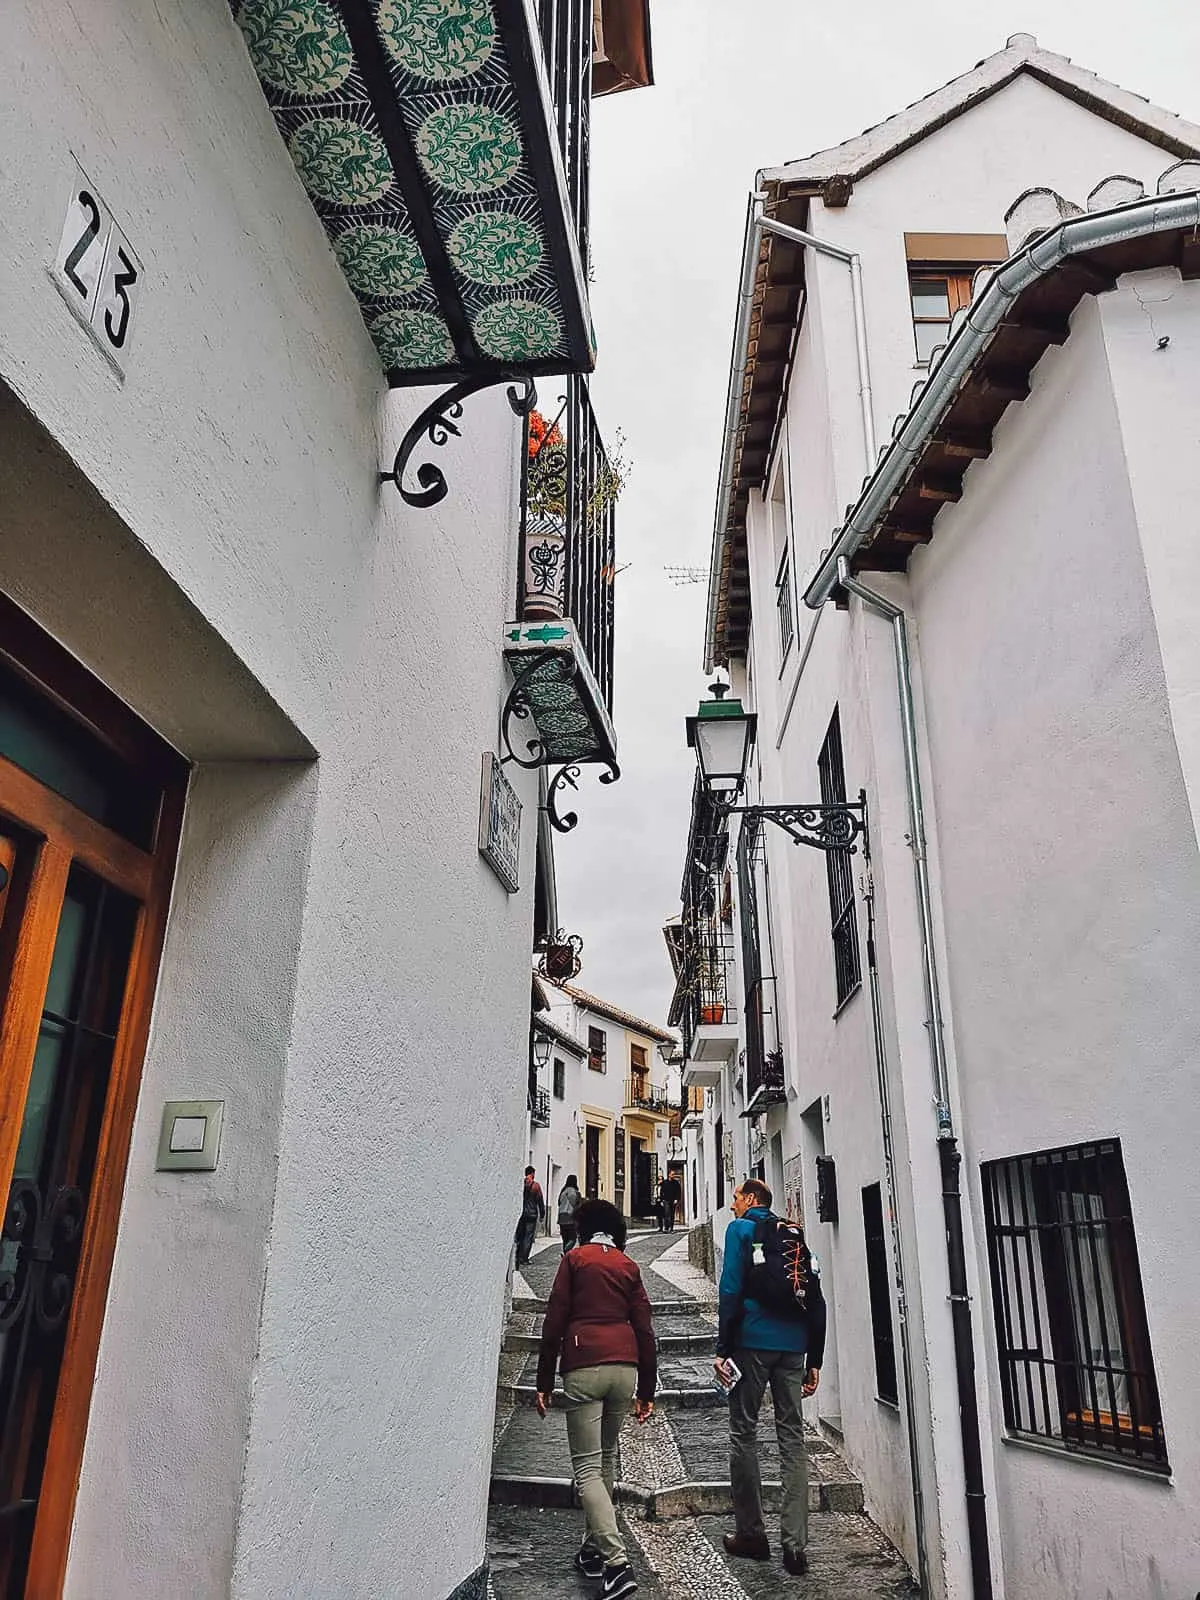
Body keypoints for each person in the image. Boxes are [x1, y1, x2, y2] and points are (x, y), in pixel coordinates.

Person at [535, 1199, 656, 1600]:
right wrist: (647, 1390)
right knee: (605, 1458)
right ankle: (592, 1549)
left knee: (586, 1470)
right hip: (625, 1369)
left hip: (584, 1365)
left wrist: (543, 1381)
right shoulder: (627, 1266)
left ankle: (617, 1565)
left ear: (585, 1227)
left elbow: (555, 1319)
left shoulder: (575, 1260)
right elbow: (645, 1328)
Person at [715, 1178, 826, 1578]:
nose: (732, 1205)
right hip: (794, 1346)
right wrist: (815, 1356)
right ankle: (795, 1546)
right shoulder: (791, 1232)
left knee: (743, 1432)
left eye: (736, 1198)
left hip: (753, 1342)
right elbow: (815, 1292)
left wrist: (723, 1347)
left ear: (750, 1199)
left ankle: (752, 1534)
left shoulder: (741, 1230)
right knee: (792, 1439)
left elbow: (730, 1288)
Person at [514, 1166, 545, 1269]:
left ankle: (518, 1256)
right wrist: (542, 1214)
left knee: (521, 1236)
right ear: (532, 1173)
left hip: (522, 1213)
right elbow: (540, 1201)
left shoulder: (521, 1184)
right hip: (532, 1214)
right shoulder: (536, 1186)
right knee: (528, 1236)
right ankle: (524, 1259)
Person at [557, 1172, 582, 1253]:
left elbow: (559, 1203)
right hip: (570, 1217)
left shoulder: (563, 1192)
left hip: (561, 1217)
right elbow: (576, 1205)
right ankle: (566, 1250)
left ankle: (565, 1255)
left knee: (565, 1238)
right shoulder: (575, 1192)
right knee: (573, 1238)